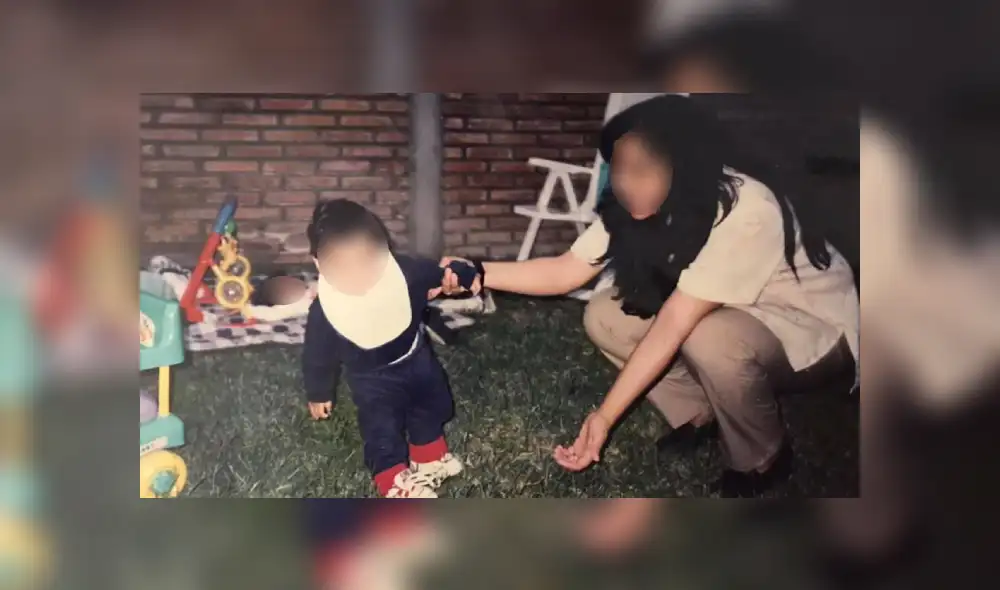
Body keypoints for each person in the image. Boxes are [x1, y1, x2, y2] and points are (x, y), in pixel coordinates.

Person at [439, 95, 859, 497]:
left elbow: (676, 320)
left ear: (686, 168)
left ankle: (763, 457)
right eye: (619, 168)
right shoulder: (635, 202)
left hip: (811, 325)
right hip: (733, 310)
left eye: (642, 170)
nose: (625, 183)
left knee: (708, 337)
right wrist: (477, 272)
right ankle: (701, 412)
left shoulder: (746, 207)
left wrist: (603, 418)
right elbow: (566, 271)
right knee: (606, 314)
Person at [301, 199, 477, 498]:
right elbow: (317, 355)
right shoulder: (325, 310)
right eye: (342, 269)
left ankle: (429, 459)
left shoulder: (405, 273)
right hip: (370, 377)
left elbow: (443, 274)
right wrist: (318, 391)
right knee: (381, 425)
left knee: (432, 403)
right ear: (318, 264)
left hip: (415, 355)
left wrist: (460, 275)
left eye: (368, 264)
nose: (358, 278)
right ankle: (392, 478)